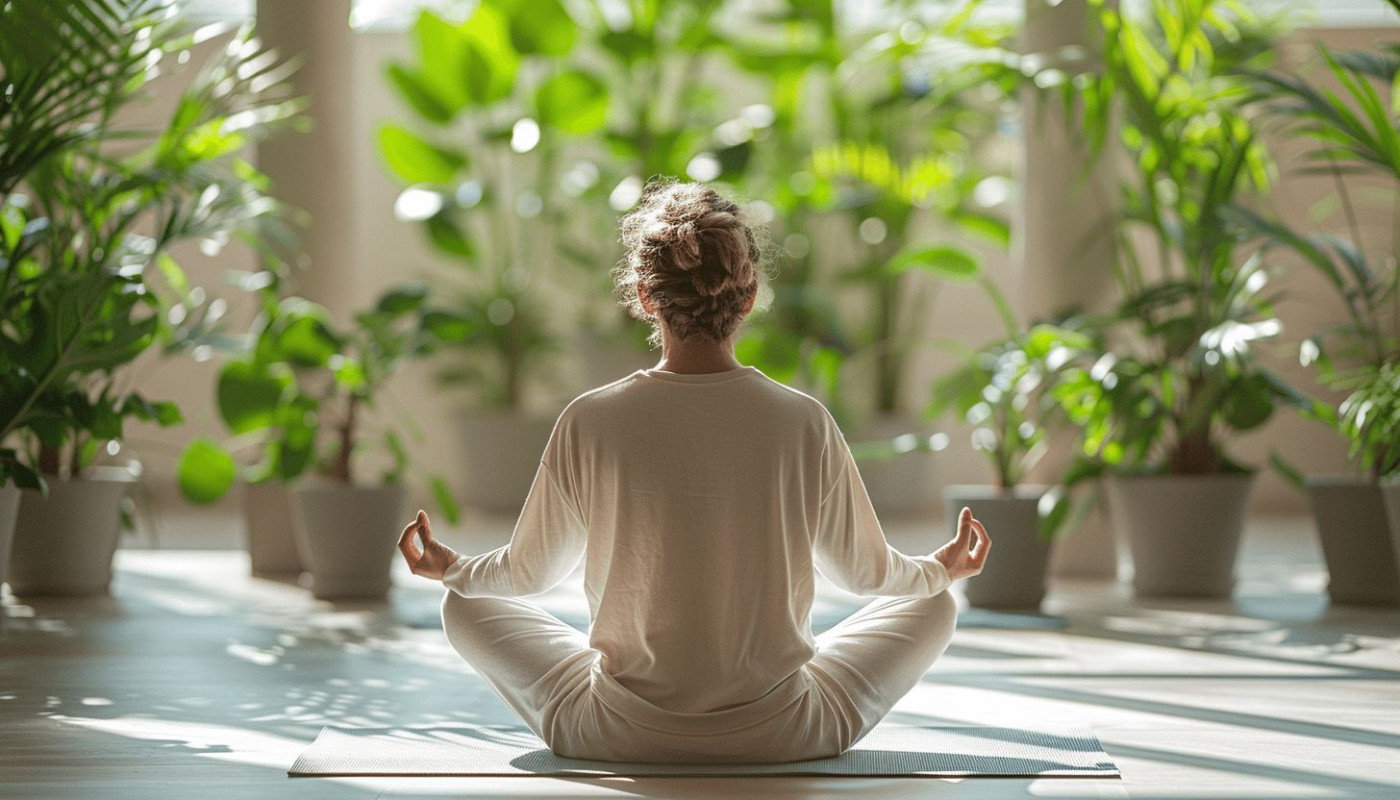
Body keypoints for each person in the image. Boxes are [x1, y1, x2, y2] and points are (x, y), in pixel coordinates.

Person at [396, 179, 992, 764]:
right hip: (784, 733)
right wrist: (940, 568)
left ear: (644, 295)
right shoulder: (803, 420)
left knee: (463, 601)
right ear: (750, 294)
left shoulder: (591, 418)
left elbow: (529, 572)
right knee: (935, 602)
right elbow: (865, 573)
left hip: (614, 730)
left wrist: (454, 567)